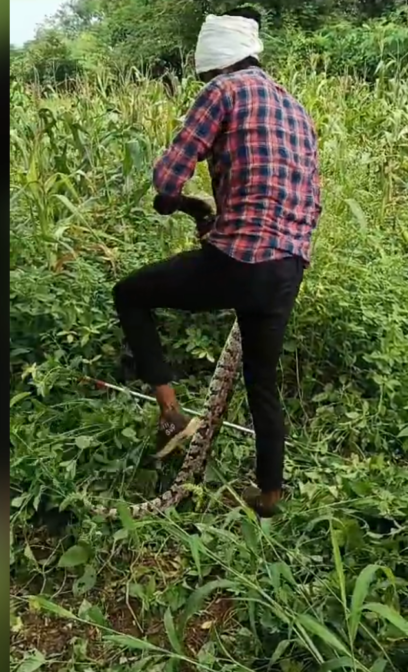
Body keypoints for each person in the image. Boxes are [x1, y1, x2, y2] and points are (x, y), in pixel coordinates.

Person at [112, 9, 322, 517]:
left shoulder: (223, 92)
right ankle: (269, 495)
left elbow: (167, 183)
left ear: (214, 65)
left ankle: (169, 412)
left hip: (239, 260)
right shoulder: (295, 107)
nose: (204, 81)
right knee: (261, 381)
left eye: (204, 73)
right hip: (288, 266)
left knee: (129, 293)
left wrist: (189, 206)